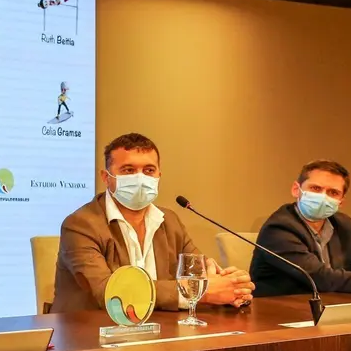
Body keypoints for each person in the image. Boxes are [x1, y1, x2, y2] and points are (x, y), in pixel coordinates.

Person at [53, 133, 254, 312]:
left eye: (149, 170)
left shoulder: (169, 221)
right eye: (128, 170)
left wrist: (232, 286)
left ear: (159, 176)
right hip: (90, 332)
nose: (140, 178)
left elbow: (200, 273)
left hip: (160, 330)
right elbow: (108, 291)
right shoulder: (80, 225)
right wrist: (200, 292)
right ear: (106, 177)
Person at [251, 160, 351, 296]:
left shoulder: (343, 225)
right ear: (296, 190)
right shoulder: (279, 228)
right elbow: (322, 279)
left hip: (332, 306)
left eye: (333, 192)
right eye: (315, 188)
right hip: (279, 309)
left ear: (341, 202)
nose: (323, 197)